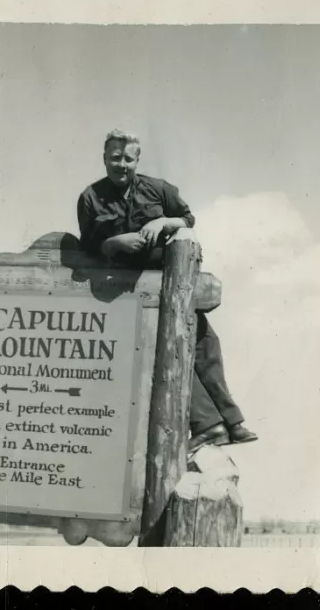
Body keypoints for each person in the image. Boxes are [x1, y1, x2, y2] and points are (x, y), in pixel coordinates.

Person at [77, 129, 258, 453]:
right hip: (130, 294)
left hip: (173, 280)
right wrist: (113, 242)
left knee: (204, 344)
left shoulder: (158, 189)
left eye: (127, 159)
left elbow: (187, 219)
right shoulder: (90, 198)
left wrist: (163, 223)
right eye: (115, 158)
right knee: (171, 350)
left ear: (137, 159)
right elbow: (88, 247)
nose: (121, 165)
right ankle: (208, 425)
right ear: (105, 158)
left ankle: (233, 423)